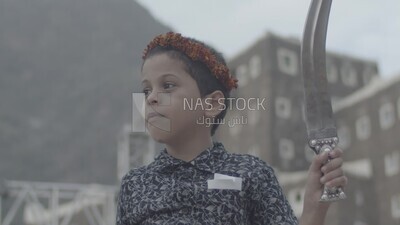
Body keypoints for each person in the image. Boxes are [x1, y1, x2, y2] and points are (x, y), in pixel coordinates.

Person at [116, 32, 347, 225]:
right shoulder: (134, 185)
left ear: (212, 103)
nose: (151, 99)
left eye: (167, 85)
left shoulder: (252, 174)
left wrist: (313, 210)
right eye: (146, 90)